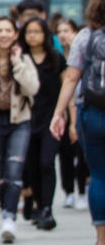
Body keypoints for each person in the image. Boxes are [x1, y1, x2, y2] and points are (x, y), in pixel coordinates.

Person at [0, 17, 39, 243]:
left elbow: (33, 88)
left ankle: (9, 217)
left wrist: (17, 62)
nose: (2, 34)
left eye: (7, 30)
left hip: (19, 121)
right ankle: (5, 213)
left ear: (14, 35)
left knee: (15, 169)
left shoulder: (24, 59)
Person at [50, 0, 105, 245]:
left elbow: (72, 77)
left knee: (98, 175)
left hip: (92, 112)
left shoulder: (86, 36)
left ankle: (101, 237)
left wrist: (59, 113)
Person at [20, 17, 67, 231]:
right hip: (27, 121)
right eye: (29, 32)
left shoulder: (56, 59)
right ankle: (39, 205)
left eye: (37, 32)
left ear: (45, 35)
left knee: (47, 163)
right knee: (32, 168)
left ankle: (47, 208)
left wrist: (70, 119)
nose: (32, 36)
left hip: (50, 121)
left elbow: (68, 89)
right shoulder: (20, 58)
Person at [55, 18, 89, 210]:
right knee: (66, 154)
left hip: (82, 107)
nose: (63, 34)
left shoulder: (85, 50)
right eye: (60, 31)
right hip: (66, 110)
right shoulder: (58, 56)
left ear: (75, 32)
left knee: (82, 154)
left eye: (67, 30)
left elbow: (72, 81)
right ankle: (69, 192)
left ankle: (82, 191)